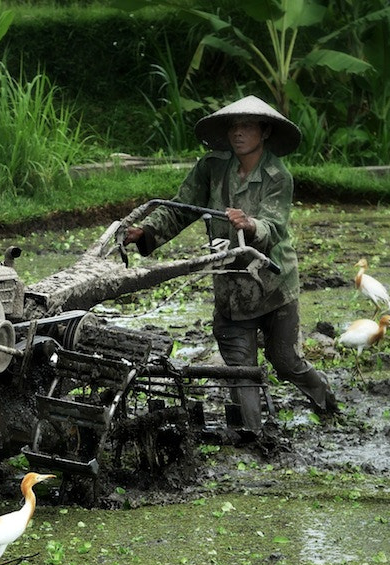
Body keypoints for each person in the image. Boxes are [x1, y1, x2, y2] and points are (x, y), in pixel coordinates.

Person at [123, 94, 337, 429]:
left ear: (264, 132)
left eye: (247, 126)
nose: (238, 133)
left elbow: (274, 224)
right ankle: (251, 435)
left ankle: (327, 403)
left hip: (273, 284)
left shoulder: (277, 176)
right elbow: (183, 207)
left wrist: (250, 224)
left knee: (286, 362)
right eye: (234, 126)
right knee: (240, 370)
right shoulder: (212, 167)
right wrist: (146, 231)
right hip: (231, 288)